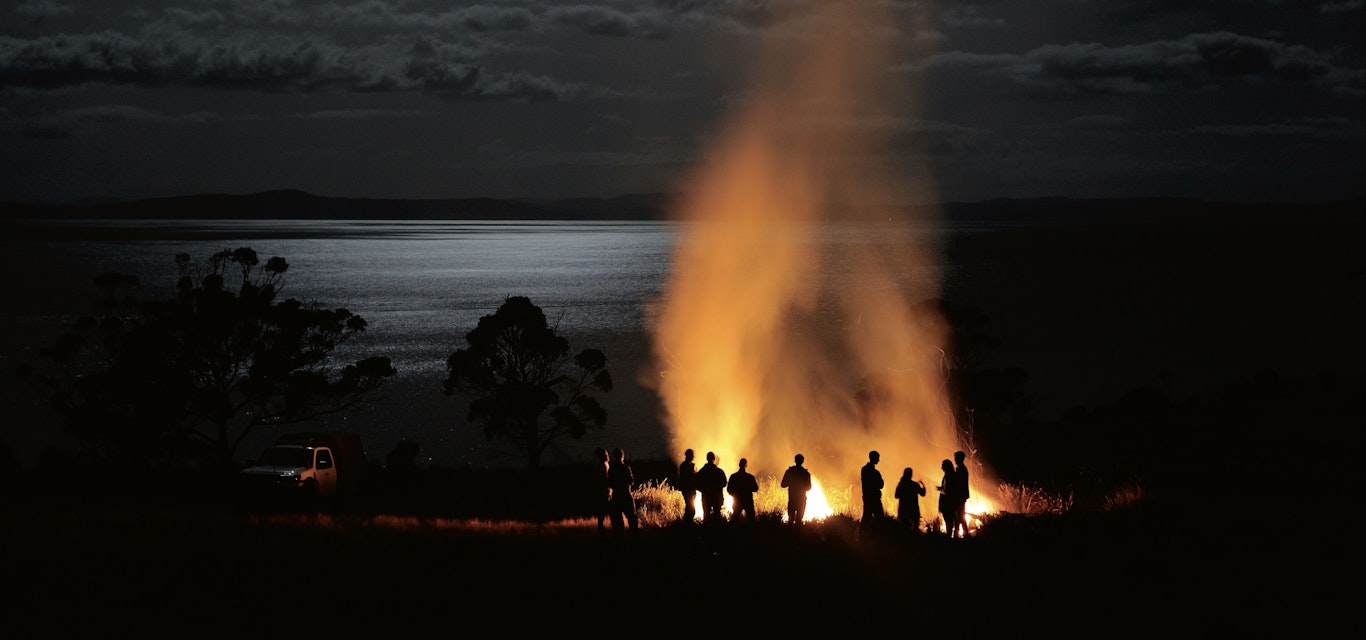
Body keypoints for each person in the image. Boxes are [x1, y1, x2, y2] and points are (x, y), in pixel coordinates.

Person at [607, 447, 638, 536]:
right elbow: (631, 481)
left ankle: (619, 538)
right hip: (626, 495)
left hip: (616, 496)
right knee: (632, 518)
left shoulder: (611, 469)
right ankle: (635, 537)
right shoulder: (626, 468)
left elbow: (610, 483)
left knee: (617, 520)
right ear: (622, 456)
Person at [695, 451, 728, 524]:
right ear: (714, 459)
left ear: (707, 458)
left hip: (706, 498)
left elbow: (696, 484)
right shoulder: (719, 471)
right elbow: (724, 483)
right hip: (717, 497)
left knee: (706, 516)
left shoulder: (702, 471)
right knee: (717, 516)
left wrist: (704, 490)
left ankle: (706, 532)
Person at [780, 453, 812, 525]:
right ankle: (797, 535)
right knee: (799, 520)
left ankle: (789, 535)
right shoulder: (806, 473)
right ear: (803, 461)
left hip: (792, 498)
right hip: (801, 499)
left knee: (790, 520)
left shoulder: (789, 472)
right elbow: (809, 488)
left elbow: (783, 484)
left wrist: (791, 483)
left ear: (795, 460)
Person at [727, 457, 759, 523]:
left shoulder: (733, 476)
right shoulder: (750, 477)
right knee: (751, 520)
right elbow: (755, 488)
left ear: (739, 465)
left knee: (735, 520)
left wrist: (735, 495)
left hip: (737, 501)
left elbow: (729, 489)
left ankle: (733, 532)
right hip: (748, 501)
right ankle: (752, 533)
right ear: (746, 465)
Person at [894, 467, 926, 531]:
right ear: (911, 475)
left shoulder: (901, 484)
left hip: (903, 510)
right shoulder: (914, 485)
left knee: (904, 529)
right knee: (914, 530)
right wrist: (923, 486)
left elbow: (896, 496)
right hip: (913, 510)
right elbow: (923, 494)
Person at [860, 450, 885, 521]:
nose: (878, 460)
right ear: (874, 458)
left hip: (867, 497)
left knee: (867, 517)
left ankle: (862, 531)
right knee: (879, 518)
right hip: (874, 499)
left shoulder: (864, 469)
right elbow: (881, 485)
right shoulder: (875, 473)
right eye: (877, 458)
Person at [936, 459, 958, 537]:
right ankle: (950, 535)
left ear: (946, 466)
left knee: (949, 520)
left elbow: (949, 490)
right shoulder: (948, 475)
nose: (941, 467)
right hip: (947, 501)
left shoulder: (949, 476)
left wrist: (941, 489)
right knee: (949, 520)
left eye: (943, 466)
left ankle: (949, 536)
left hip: (947, 502)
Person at [952, 450, 971, 538]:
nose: (955, 460)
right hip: (960, 496)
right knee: (959, 515)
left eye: (956, 458)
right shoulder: (960, 469)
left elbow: (959, 483)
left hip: (960, 496)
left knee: (959, 516)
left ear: (960, 459)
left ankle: (963, 534)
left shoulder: (962, 469)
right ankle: (961, 534)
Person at [677, 448, 697, 523]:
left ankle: (687, 524)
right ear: (688, 455)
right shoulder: (685, 466)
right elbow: (687, 478)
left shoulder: (689, 465)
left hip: (690, 490)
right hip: (688, 490)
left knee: (690, 508)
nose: (693, 456)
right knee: (690, 509)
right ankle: (687, 524)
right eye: (692, 455)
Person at [593, 447, 611, 533]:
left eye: (607, 454)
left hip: (606, 492)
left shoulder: (605, 464)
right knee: (602, 512)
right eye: (605, 454)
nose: (607, 455)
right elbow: (602, 480)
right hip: (603, 493)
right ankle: (602, 530)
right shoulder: (602, 466)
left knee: (603, 512)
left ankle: (603, 529)